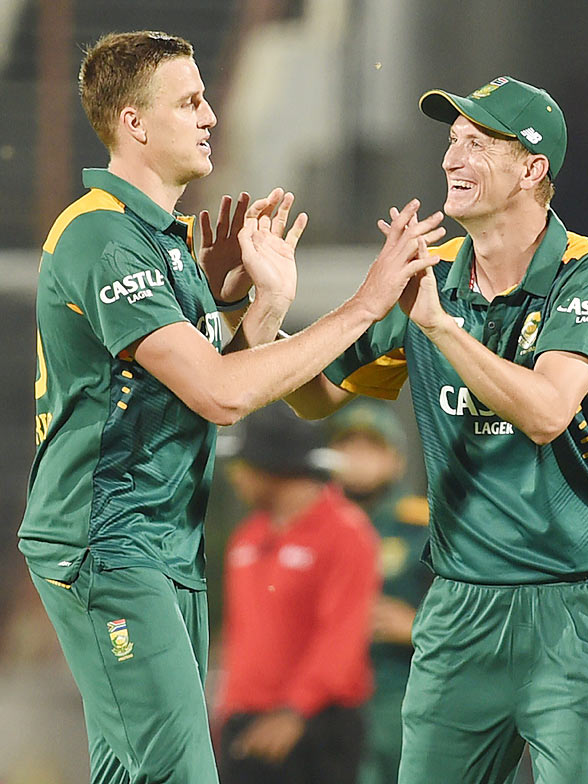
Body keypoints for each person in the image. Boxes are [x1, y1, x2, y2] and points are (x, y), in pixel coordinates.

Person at [18, 30, 444, 784]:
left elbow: (220, 386)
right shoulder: (103, 236)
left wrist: (261, 306)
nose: (211, 115)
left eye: (207, 98)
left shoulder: (168, 247)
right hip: (108, 545)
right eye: (189, 101)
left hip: (159, 546)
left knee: (130, 774)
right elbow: (219, 394)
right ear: (134, 122)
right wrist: (363, 306)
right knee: (182, 773)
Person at [285, 76, 588, 783]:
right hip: (460, 607)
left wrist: (441, 331)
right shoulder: (433, 280)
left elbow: (548, 412)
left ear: (532, 169)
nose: (452, 158)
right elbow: (317, 398)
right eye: (451, 141)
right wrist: (258, 317)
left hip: (576, 609)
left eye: (477, 143)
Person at [214, 401, 379, 784]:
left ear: (272, 465)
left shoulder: (346, 534)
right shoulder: (247, 537)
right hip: (246, 727)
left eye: (243, 465)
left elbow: (343, 637)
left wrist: (294, 713)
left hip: (315, 727)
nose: (235, 477)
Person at [326, 399, 432, 784]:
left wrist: (417, 627)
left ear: (395, 459)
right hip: (328, 700)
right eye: (347, 446)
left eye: (371, 447)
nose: (357, 458)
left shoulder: (422, 525)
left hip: (401, 692)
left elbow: (470, 612)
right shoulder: (314, 527)